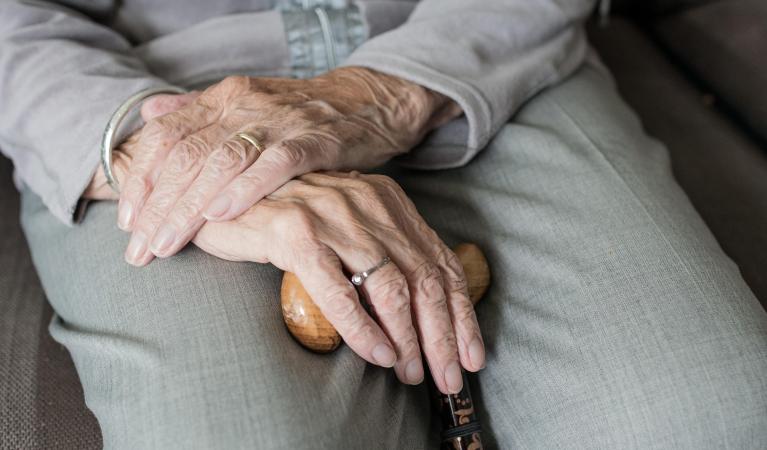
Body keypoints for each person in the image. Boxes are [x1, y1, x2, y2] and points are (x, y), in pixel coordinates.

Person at [2, 0, 766, 448]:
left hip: (479, 49)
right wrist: (166, 151)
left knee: (708, 418)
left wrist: (382, 93)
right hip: (138, 92)